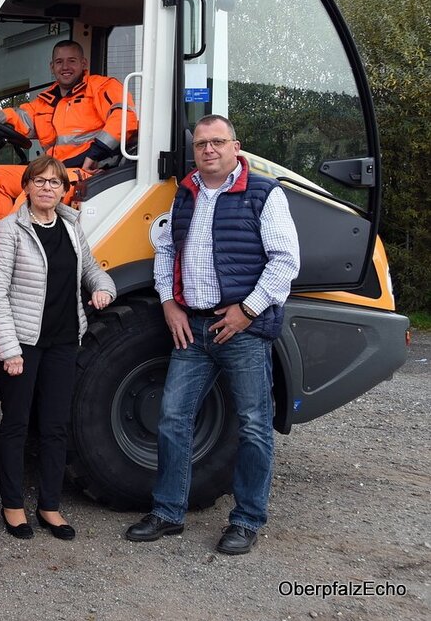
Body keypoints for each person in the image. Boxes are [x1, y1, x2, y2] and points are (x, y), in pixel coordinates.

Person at [124, 114, 300, 555]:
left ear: (236, 147)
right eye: (202, 143)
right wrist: (169, 304)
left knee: (254, 425)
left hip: (240, 330)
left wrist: (247, 311)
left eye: (218, 142)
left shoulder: (264, 193)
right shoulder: (185, 195)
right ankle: (167, 513)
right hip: (193, 328)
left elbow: (285, 262)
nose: (209, 150)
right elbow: (166, 251)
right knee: (171, 419)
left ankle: (246, 520)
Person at [0, 156, 116, 540]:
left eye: (54, 183)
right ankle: (12, 506)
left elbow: (90, 268)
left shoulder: (71, 227)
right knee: (16, 425)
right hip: (24, 343)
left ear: (63, 190)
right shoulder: (9, 231)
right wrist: (8, 350)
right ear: (26, 187)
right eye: (39, 182)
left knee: (56, 427)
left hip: (63, 340)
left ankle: (50, 507)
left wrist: (104, 287)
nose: (47, 189)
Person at [0, 40, 139, 268]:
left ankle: (0, 262)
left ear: (83, 63)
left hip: (90, 173)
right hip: (54, 171)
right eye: (59, 62)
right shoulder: (47, 100)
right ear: (52, 67)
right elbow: (19, 118)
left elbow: (124, 117)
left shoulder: (102, 87)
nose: (65, 66)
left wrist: (96, 153)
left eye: (72, 61)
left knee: (33, 189)